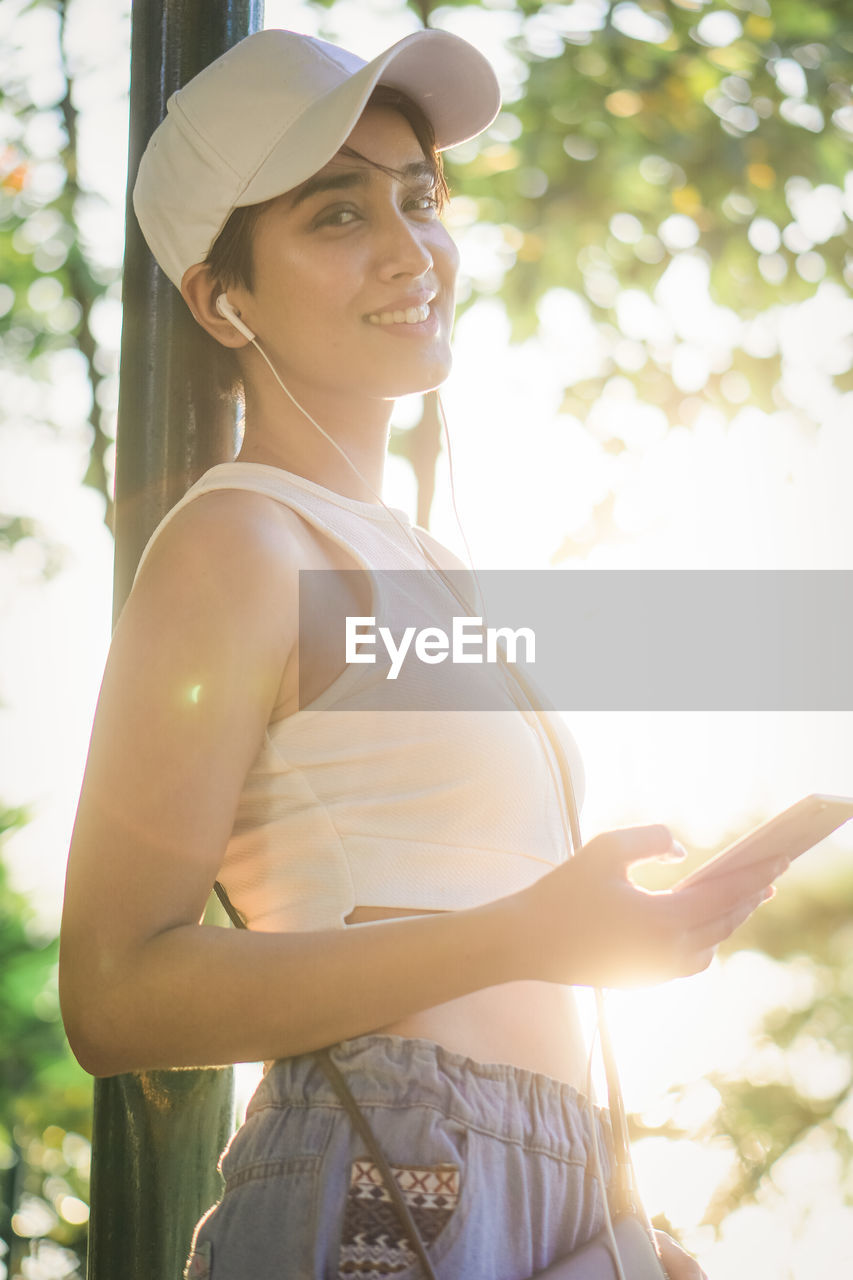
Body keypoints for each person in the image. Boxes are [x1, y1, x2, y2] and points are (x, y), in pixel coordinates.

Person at [58, 28, 786, 1280]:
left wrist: (613, 1213)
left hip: (556, 1185)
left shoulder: (426, 562)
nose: (411, 249)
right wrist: (526, 931)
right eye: (337, 215)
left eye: (418, 197)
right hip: (382, 1156)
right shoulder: (237, 541)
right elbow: (114, 995)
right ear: (220, 295)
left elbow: (495, 927)